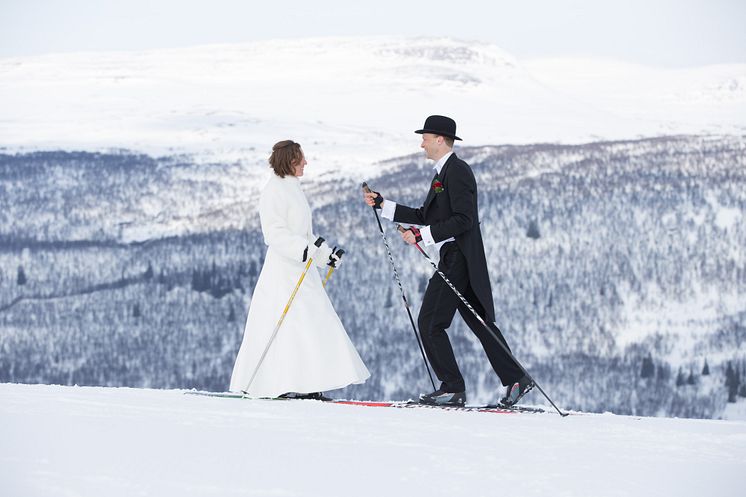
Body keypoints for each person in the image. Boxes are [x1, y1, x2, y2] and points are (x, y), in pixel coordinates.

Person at [363, 115, 533, 407]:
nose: (422, 144)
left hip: (458, 258)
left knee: (430, 321)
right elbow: (425, 215)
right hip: (457, 258)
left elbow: (464, 220)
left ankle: (453, 387)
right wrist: (384, 205)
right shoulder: (443, 173)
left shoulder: (458, 172)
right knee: (480, 323)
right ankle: (516, 379)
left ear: (440, 140)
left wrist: (422, 235)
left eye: (425, 139)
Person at [230, 140, 370, 398]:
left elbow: (305, 234)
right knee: (291, 325)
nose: (306, 163)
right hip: (283, 271)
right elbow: (274, 233)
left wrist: (325, 255)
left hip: (302, 270)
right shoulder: (274, 190)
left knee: (312, 324)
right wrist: (304, 251)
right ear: (290, 161)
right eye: (301, 159)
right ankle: (278, 385)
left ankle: (308, 385)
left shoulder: (293, 188)